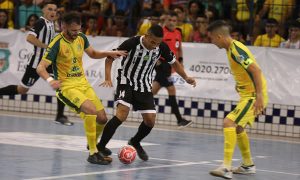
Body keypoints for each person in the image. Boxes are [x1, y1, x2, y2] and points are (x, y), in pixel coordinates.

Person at [36, 12, 127, 164]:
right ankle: (93, 153)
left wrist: (110, 53)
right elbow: (40, 68)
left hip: (83, 84)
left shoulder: (81, 37)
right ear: (63, 26)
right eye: (73, 30)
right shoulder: (57, 43)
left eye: (78, 30)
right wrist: (51, 80)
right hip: (66, 87)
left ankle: (94, 145)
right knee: (91, 111)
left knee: (102, 118)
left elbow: (93, 54)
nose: (76, 33)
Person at [98, 24, 196, 161]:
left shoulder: (161, 47)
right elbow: (110, 58)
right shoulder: (132, 43)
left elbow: (174, 63)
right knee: (122, 114)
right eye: (153, 42)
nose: (155, 45)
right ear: (147, 36)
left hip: (144, 85)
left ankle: (135, 141)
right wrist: (108, 78)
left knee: (150, 121)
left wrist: (186, 77)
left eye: (158, 43)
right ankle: (101, 146)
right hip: (126, 81)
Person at [207, 20, 268, 179]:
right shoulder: (230, 49)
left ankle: (226, 167)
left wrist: (259, 96)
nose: (212, 42)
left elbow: (256, 70)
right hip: (248, 94)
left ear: (219, 36)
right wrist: (240, 86)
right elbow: (246, 72)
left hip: (253, 95)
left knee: (229, 122)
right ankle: (248, 165)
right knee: (238, 128)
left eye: (212, 38)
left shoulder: (236, 50)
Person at [0, 1, 72, 125]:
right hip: (36, 64)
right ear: (43, 10)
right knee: (22, 89)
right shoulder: (41, 22)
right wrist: (46, 46)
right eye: (50, 9)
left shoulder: (52, 24)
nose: (53, 12)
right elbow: (29, 37)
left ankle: (60, 116)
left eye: (55, 10)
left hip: (48, 64)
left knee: (61, 86)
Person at [153, 12, 193, 129]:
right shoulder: (161, 32)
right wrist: (156, 60)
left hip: (170, 65)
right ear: (166, 20)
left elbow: (178, 48)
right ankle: (179, 120)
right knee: (171, 89)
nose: (172, 22)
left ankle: (137, 102)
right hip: (162, 64)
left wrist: (180, 61)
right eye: (170, 19)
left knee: (154, 89)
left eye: (174, 20)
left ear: (177, 22)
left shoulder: (178, 32)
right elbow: (154, 46)